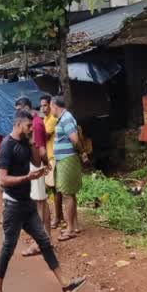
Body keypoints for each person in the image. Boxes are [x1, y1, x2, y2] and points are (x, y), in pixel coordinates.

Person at [0, 109, 87, 292]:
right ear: (18, 124)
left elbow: (36, 161)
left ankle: (65, 285)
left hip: (26, 204)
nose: (30, 129)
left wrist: (34, 142)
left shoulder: (25, 144)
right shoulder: (6, 147)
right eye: (28, 126)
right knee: (8, 247)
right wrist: (27, 178)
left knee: (44, 241)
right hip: (12, 205)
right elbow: (2, 179)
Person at [14, 97, 51, 258]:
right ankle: (46, 238)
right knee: (42, 202)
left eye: (19, 110)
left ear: (26, 108)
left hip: (36, 166)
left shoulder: (33, 124)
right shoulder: (37, 121)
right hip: (38, 166)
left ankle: (39, 243)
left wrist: (43, 164)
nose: (18, 114)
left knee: (39, 205)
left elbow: (40, 149)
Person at [51, 96, 88, 241]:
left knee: (66, 194)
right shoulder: (64, 118)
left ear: (55, 106)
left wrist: (80, 152)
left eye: (51, 106)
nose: (50, 110)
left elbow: (74, 139)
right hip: (65, 159)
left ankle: (70, 229)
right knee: (70, 193)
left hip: (67, 159)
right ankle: (75, 225)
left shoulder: (66, 118)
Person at [40, 94, 64, 229]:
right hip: (48, 158)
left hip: (53, 157)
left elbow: (44, 136)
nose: (43, 108)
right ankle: (59, 216)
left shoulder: (52, 120)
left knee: (56, 189)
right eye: (41, 106)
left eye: (45, 105)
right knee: (54, 189)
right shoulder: (45, 119)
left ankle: (58, 217)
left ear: (51, 105)